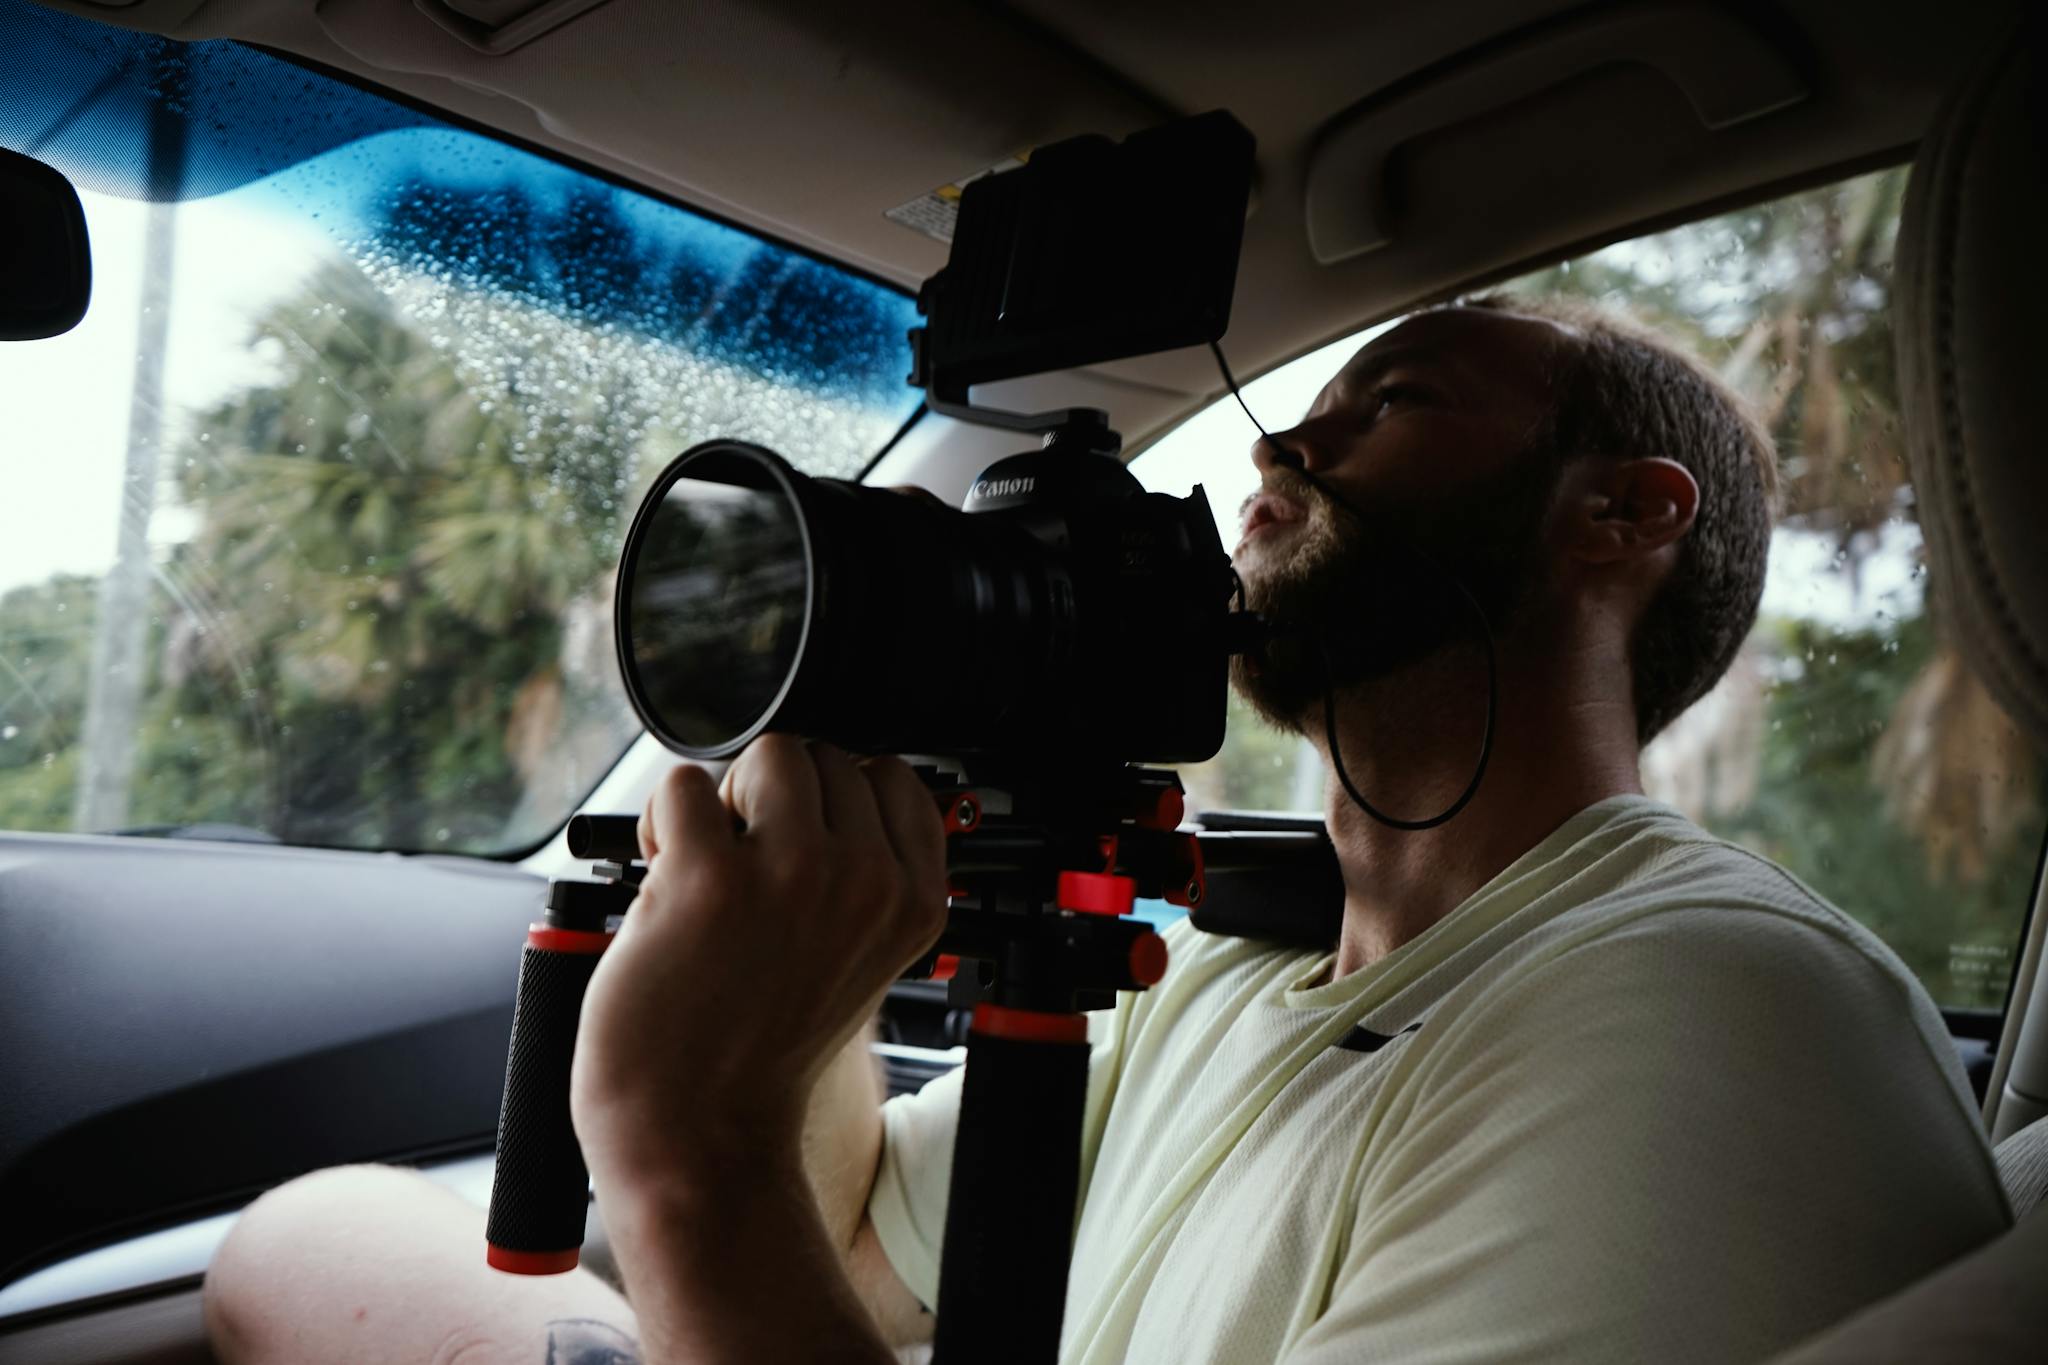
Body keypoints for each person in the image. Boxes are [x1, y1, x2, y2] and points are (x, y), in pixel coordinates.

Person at [202, 295, 2012, 1365]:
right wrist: (835, 917)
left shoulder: (1702, 1008)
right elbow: (835, 1254)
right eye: (1289, 424)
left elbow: (746, 1218)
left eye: (1390, 405)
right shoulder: (1214, 963)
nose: (1284, 455)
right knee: (310, 1229)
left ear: (1623, 515)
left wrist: (680, 1153)